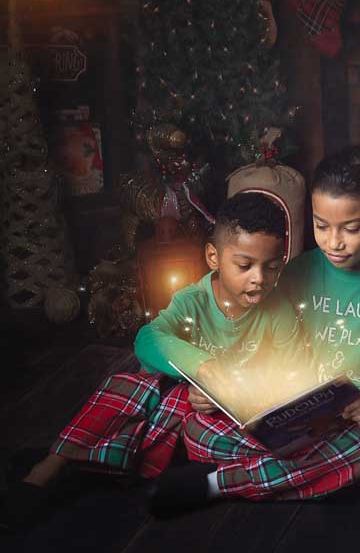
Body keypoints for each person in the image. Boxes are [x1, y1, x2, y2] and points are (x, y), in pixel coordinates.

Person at [1, 192, 296, 532]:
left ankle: (89, 463)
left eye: (271, 267)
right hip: (164, 413)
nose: (259, 277)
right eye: (244, 266)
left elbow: (286, 374)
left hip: (215, 425)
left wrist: (236, 396)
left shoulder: (279, 311)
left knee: (205, 425)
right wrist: (203, 370)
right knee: (136, 388)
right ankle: (50, 466)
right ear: (214, 257)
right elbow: (148, 340)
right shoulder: (193, 301)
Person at [166, 144, 360, 509]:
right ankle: (328, 476)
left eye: (351, 227)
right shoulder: (292, 274)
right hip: (291, 421)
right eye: (321, 225)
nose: (334, 242)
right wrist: (221, 389)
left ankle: (220, 483)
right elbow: (258, 348)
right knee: (197, 429)